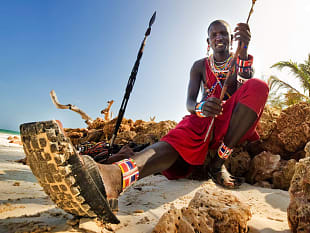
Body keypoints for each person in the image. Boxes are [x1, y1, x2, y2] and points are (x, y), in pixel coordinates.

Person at [20, 19, 269, 223]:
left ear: (231, 37)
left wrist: (244, 51)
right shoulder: (198, 66)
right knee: (172, 143)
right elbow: (190, 102)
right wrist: (201, 108)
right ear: (208, 41)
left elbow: (244, 88)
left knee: (258, 86)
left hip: (227, 123)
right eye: (214, 34)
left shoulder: (239, 60)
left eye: (223, 33)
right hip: (201, 121)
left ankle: (218, 163)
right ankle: (115, 177)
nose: (219, 38)